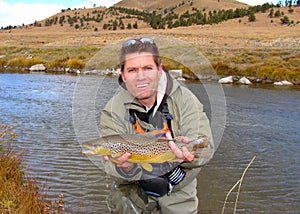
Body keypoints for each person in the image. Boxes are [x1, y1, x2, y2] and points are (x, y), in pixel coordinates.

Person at [100, 37, 214, 213]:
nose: (141, 76)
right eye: (132, 70)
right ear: (122, 75)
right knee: (121, 201)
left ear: (159, 70)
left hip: (178, 186)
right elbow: (110, 168)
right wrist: (124, 168)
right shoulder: (112, 109)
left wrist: (190, 155)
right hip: (135, 186)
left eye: (147, 68)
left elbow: (206, 147)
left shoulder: (185, 100)